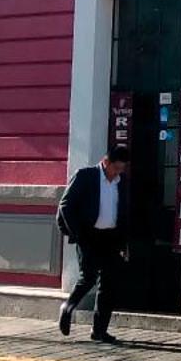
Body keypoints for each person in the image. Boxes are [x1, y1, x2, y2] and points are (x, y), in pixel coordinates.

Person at [56, 147, 132, 344]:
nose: (118, 173)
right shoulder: (86, 176)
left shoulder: (121, 182)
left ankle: (99, 331)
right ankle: (68, 308)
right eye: (115, 168)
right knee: (88, 277)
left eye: (121, 169)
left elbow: (122, 212)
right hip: (89, 236)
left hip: (111, 238)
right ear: (105, 162)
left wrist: (123, 242)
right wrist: (77, 234)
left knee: (108, 284)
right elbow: (66, 205)